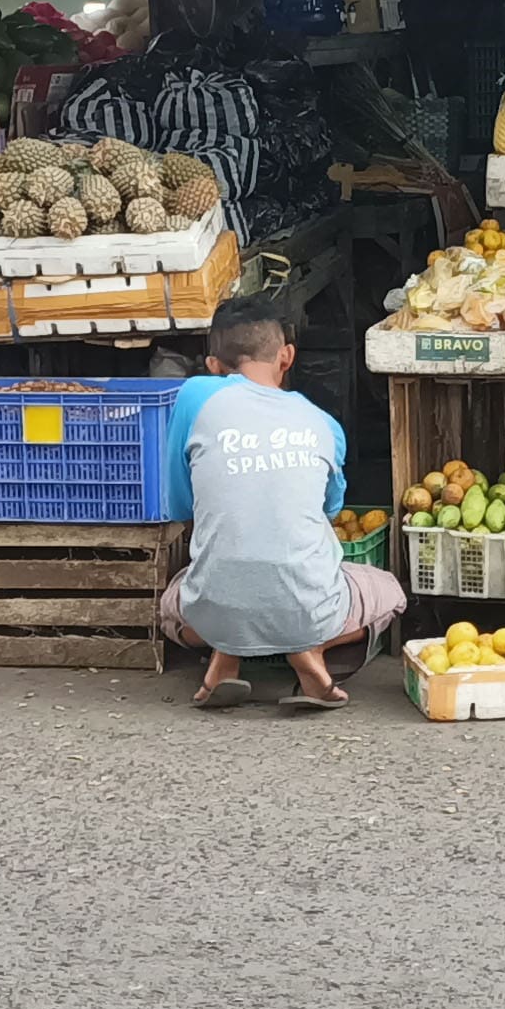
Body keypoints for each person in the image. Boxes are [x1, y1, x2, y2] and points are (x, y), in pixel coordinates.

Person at [156, 297, 404, 709]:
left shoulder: (195, 396)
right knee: (391, 592)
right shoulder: (324, 424)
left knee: (171, 605)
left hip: (215, 611)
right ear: (286, 356)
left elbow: (180, 505)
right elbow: (327, 512)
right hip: (310, 610)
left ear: (214, 365)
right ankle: (308, 652)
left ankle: (226, 655)